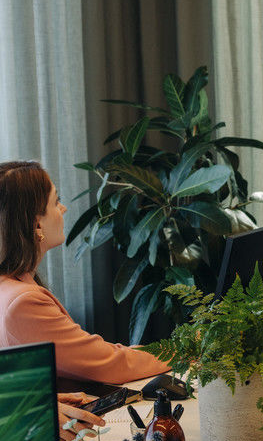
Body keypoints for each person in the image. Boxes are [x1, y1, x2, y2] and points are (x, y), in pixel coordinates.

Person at [0, 162, 168, 410]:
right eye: (56, 202)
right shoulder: (22, 302)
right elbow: (109, 364)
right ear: (36, 225)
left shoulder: (11, 287)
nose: (64, 209)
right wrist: (180, 351)